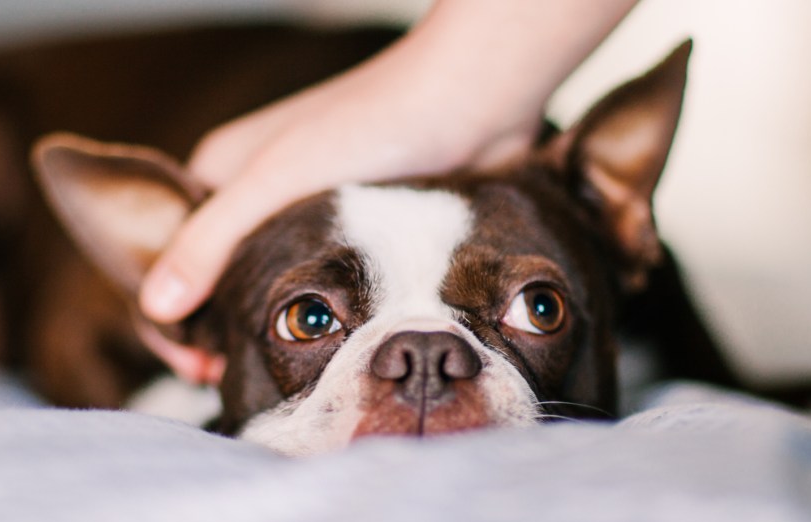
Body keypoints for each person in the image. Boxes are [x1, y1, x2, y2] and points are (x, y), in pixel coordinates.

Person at [140, 0, 640, 383]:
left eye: (538, 311)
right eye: (310, 321)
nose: (423, 367)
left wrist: (453, 89)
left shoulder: (565, 216)